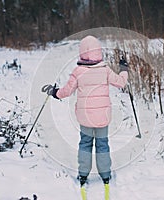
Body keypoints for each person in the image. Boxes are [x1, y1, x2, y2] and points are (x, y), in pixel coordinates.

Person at [44, 35, 128, 187]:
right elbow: (121, 83)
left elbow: (66, 91)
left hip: (85, 118)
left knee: (85, 144)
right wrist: (123, 69)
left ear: (82, 52)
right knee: (103, 144)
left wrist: (54, 92)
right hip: (102, 117)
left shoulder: (78, 71)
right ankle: (105, 174)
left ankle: (83, 174)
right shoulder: (105, 70)